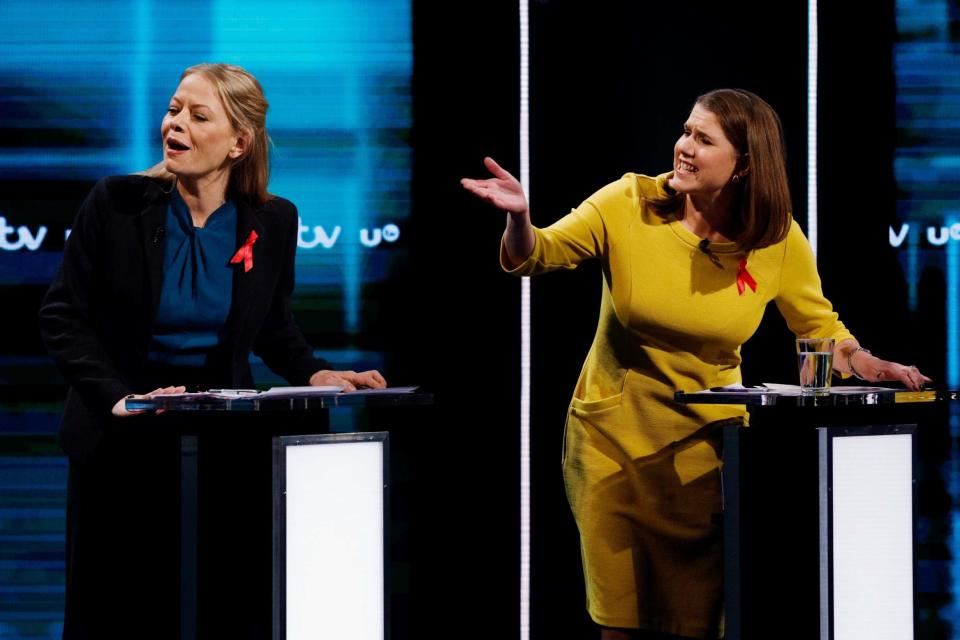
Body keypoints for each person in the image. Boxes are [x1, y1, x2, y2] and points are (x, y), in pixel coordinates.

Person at [461, 88, 931, 640]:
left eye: (703, 140)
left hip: (709, 457)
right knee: (622, 626)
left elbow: (821, 329)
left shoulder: (776, 238)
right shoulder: (627, 201)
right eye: (686, 131)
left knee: (699, 625)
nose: (683, 147)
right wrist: (519, 219)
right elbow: (535, 255)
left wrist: (871, 365)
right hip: (613, 448)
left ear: (744, 165)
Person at [39, 63, 386, 639]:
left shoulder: (274, 219)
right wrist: (119, 398)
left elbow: (273, 326)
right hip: (120, 437)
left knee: (220, 604)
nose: (175, 124)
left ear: (237, 143)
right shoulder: (116, 203)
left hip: (223, 447)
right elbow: (62, 317)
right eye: (175, 109)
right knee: (118, 611)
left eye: (198, 116)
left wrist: (317, 372)